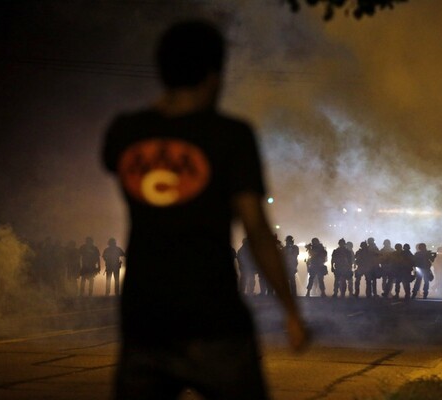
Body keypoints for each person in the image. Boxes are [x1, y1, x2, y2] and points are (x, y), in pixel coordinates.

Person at [102, 20, 307, 400]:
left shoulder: (124, 133)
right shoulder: (231, 136)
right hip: (215, 319)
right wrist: (291, 311)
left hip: (144, 321)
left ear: (162, 71)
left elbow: (119, 160)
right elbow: (257, 231)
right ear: (214, 76)